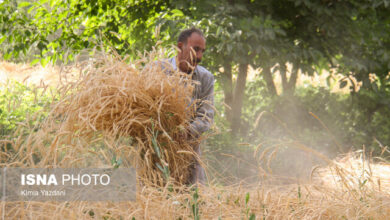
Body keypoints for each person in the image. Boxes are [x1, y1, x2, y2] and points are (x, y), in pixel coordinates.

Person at [166, 27, 214, 185]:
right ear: (180, 46)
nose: (199, 56)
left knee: (193, 204)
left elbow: (206, 117)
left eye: (203, 51)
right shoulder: (157, 71)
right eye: (196, 49)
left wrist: (187, 131)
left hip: (188, 157)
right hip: (156, 155)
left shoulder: (205, 78)